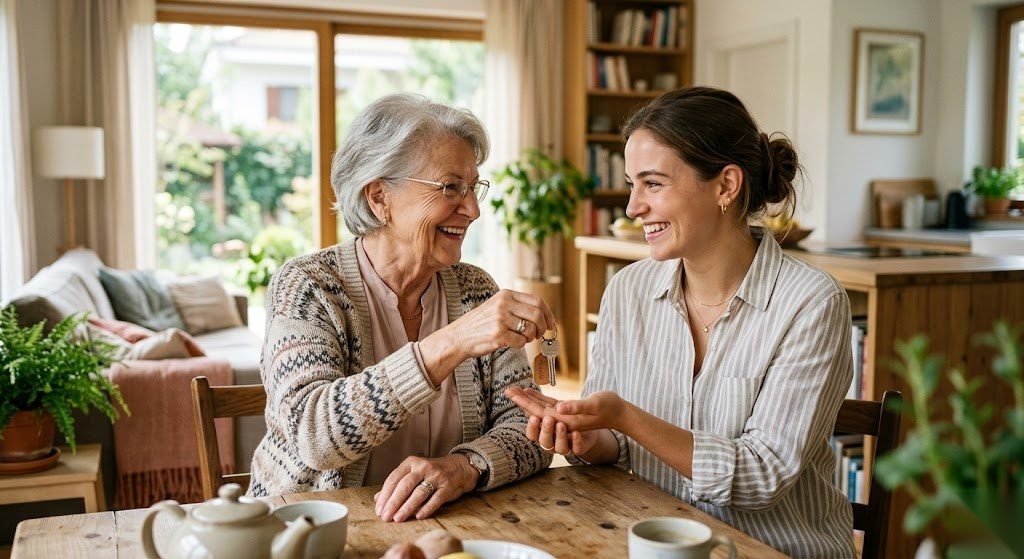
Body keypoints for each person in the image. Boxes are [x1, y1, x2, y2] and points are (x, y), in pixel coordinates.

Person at [507, 86, 856, 558]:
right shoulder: (628, 291)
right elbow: (620, 446)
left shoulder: (811, 304)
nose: (632, 207)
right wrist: (591, 438)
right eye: (632, 184)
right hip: (661, 544)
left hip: (775, 549)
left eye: (652, 184)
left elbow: (761, 476)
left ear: (725, 187)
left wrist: (626, 417)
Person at [249, 93, 555, 523]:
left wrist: (465, 467)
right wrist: (452, 341)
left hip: (445, 527)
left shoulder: (474, 290)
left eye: (473, 188)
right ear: (379, 198)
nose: (472, 209)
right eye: (451, 187)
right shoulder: (309, 286)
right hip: (307, 533)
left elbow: (532, 428)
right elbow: (313, 435)